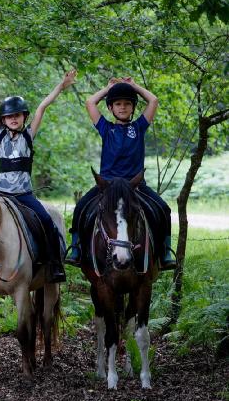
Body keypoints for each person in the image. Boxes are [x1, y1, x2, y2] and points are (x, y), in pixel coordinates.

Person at [0, 63, 76, 283]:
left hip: (24, 194)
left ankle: (54, 265)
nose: (13, 119)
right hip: (0, 194)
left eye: (18, 116)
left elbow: (42, 108)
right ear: (3, 120)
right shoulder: (0, 135)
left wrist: (61, 86)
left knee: (48, 223)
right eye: (9, 116)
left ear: (23, 118)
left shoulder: (29, 135)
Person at [65, 78, 175, 269]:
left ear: (133, 107)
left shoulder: (139, 127)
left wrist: (134, 87)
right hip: (107, 186)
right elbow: (90, 102)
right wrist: (108, 89)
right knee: (81, 206)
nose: (123, 107)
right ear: (110, 108)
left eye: (127, 103)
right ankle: (76, 249)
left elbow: (154, 101)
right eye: (118, 103)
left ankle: (165, 252)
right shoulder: (106, 128)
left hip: (135, 186)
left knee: (164, 209)